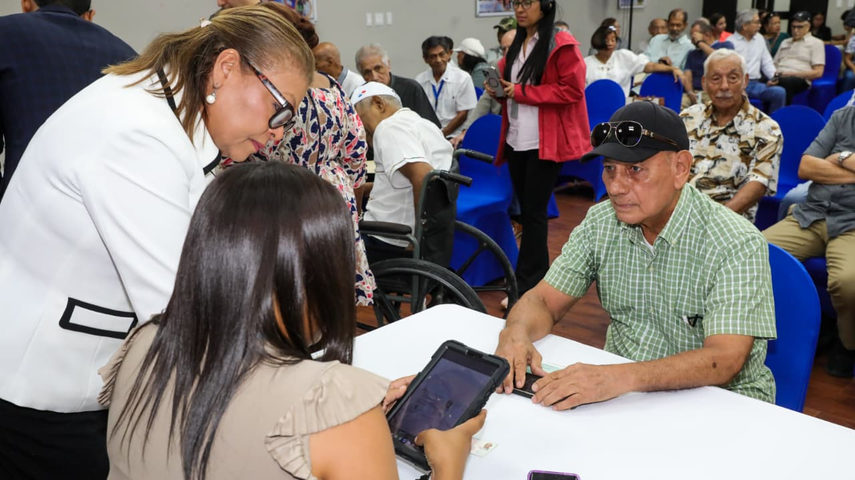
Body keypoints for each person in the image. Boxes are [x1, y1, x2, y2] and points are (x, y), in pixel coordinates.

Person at [0, 5, 313, 478]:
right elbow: (185, 311)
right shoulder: (137, 133)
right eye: (281, 107)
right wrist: (320, 395)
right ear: (227, 68)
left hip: (86, 372)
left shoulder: (167, 116)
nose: (278, 131)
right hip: (40, 387)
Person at [99, 161, 486, 480]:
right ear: (318, 271)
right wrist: (449, 466)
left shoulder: (146, 341)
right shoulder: (337, 396)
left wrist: (337, 408)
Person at [494, 101, 777, 410]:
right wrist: (516, 332)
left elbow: (724, 359)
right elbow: (544, 301)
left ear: (680, 168)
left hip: (718, 403)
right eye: (609, 169)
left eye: (635, 169)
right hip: (625, 398)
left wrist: (617, 378)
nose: (616, 187)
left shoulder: (735, 240)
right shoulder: (601, 222)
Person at [227, 8, 376, 307]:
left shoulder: (272, 90)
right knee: (328, 295)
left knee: (284, 295)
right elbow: (356, 152)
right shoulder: (332, 87)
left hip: (277, 197)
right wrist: (351, 198)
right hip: (334, 198)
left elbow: (237, 150)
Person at [487, 0, 590, 298]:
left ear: (545, 6)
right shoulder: (517, 43)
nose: (520, 9)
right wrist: (499, 90)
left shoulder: (560, 43)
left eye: (526, 2)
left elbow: (572, 90)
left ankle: (525, 287)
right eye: (516, 3)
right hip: (517, 138)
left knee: (533, 214)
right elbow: (510, 87)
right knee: (530, 214)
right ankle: (536, 281)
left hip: (544, 142)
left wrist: (520, 92)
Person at [0, 0, 135, 200]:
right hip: (108, 214)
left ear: (26, 4)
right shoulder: (132, 61)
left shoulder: (5, 34)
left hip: (24, 209)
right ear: (89, 17)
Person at [763, 107, 855, 378]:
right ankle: (758, 329)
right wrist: (848, 159)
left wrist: (835, 159)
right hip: (812, 214)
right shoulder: (843, 117)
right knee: (755, 252)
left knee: (848, 282)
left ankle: (848, 343)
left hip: (852, 223)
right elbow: (806, 166)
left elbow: (818, 166)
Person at [352, 83, 453, 263]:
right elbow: (416, 180)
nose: (360, 129)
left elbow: (422, 177)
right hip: (429, 233)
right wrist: (369, 188)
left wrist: (418, 235)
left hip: (388, 238)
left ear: (378, 104)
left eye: (359, 119)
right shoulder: (424, 124)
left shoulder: (389, 128)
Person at [681, 49, 782, 224]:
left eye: (733, 78)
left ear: (745, 81)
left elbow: (757, 185)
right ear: (704, 83)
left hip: (727, 222)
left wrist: (713, 222)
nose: (724, 86)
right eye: (716, 78)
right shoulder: (688, 118)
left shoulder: (766, 129)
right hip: (677, 213)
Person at [451, 29, 516, 148]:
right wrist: (466, 131)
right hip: (499, 123)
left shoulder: (531, 68)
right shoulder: (496, 65)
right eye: (503, 49)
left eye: (510, 48)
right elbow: (485, 99)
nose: (506, 53)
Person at [354, 43, 441, 128]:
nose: (374, 77)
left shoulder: (411, 88)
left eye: (378, 68)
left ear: (388, 65)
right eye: (367, 72)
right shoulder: (359, 97)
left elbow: (431, 127)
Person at [585, 25, 682, 98]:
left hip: (620, 106)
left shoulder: (623, 56)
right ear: (598, 41)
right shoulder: (586, 63)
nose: (610, 43)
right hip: (593, 106)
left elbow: (649, 66)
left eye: (613, 40)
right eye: (607, 40)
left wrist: (672, 68)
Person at [416, 36, 478, 138]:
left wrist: (441, 135)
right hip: (427, 134)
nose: (438, 60)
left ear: (449, 54)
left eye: (442, 54)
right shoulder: (420, 80)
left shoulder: (462, 78)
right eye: (433, 56)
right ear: (425, 59)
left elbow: (462, 114)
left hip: (453, 135)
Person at [730, 9, 786, 113]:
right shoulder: (730, 43)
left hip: (756, 84)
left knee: (779, 92)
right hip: (736, 84)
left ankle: (773, 125)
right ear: (745, 25)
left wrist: (773, 78)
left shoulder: (759, 39)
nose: (760, 25)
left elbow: (767, 62)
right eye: (756, 22)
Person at [771, 11, 825, 105]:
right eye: (793, 27)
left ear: (808, 27)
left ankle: (782, 114)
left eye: (800, 27)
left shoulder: (816, 43)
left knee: (786, 82)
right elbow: (774, 63)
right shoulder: (785, 42)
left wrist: (791, 74)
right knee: (756, 79)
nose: (796, 30)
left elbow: (818, 72)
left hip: (799, 78)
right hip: (778, 75)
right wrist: (773, 75)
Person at [682, 20, 734, 107]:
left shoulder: (725, 45)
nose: (692, 42)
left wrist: (700, 43)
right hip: (694, 92)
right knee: (681, 104)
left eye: (694, 37)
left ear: (706, 35)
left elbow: (720, 58)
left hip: (714, 92)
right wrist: (690, 92)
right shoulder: (692, 53)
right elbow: (687, 75)